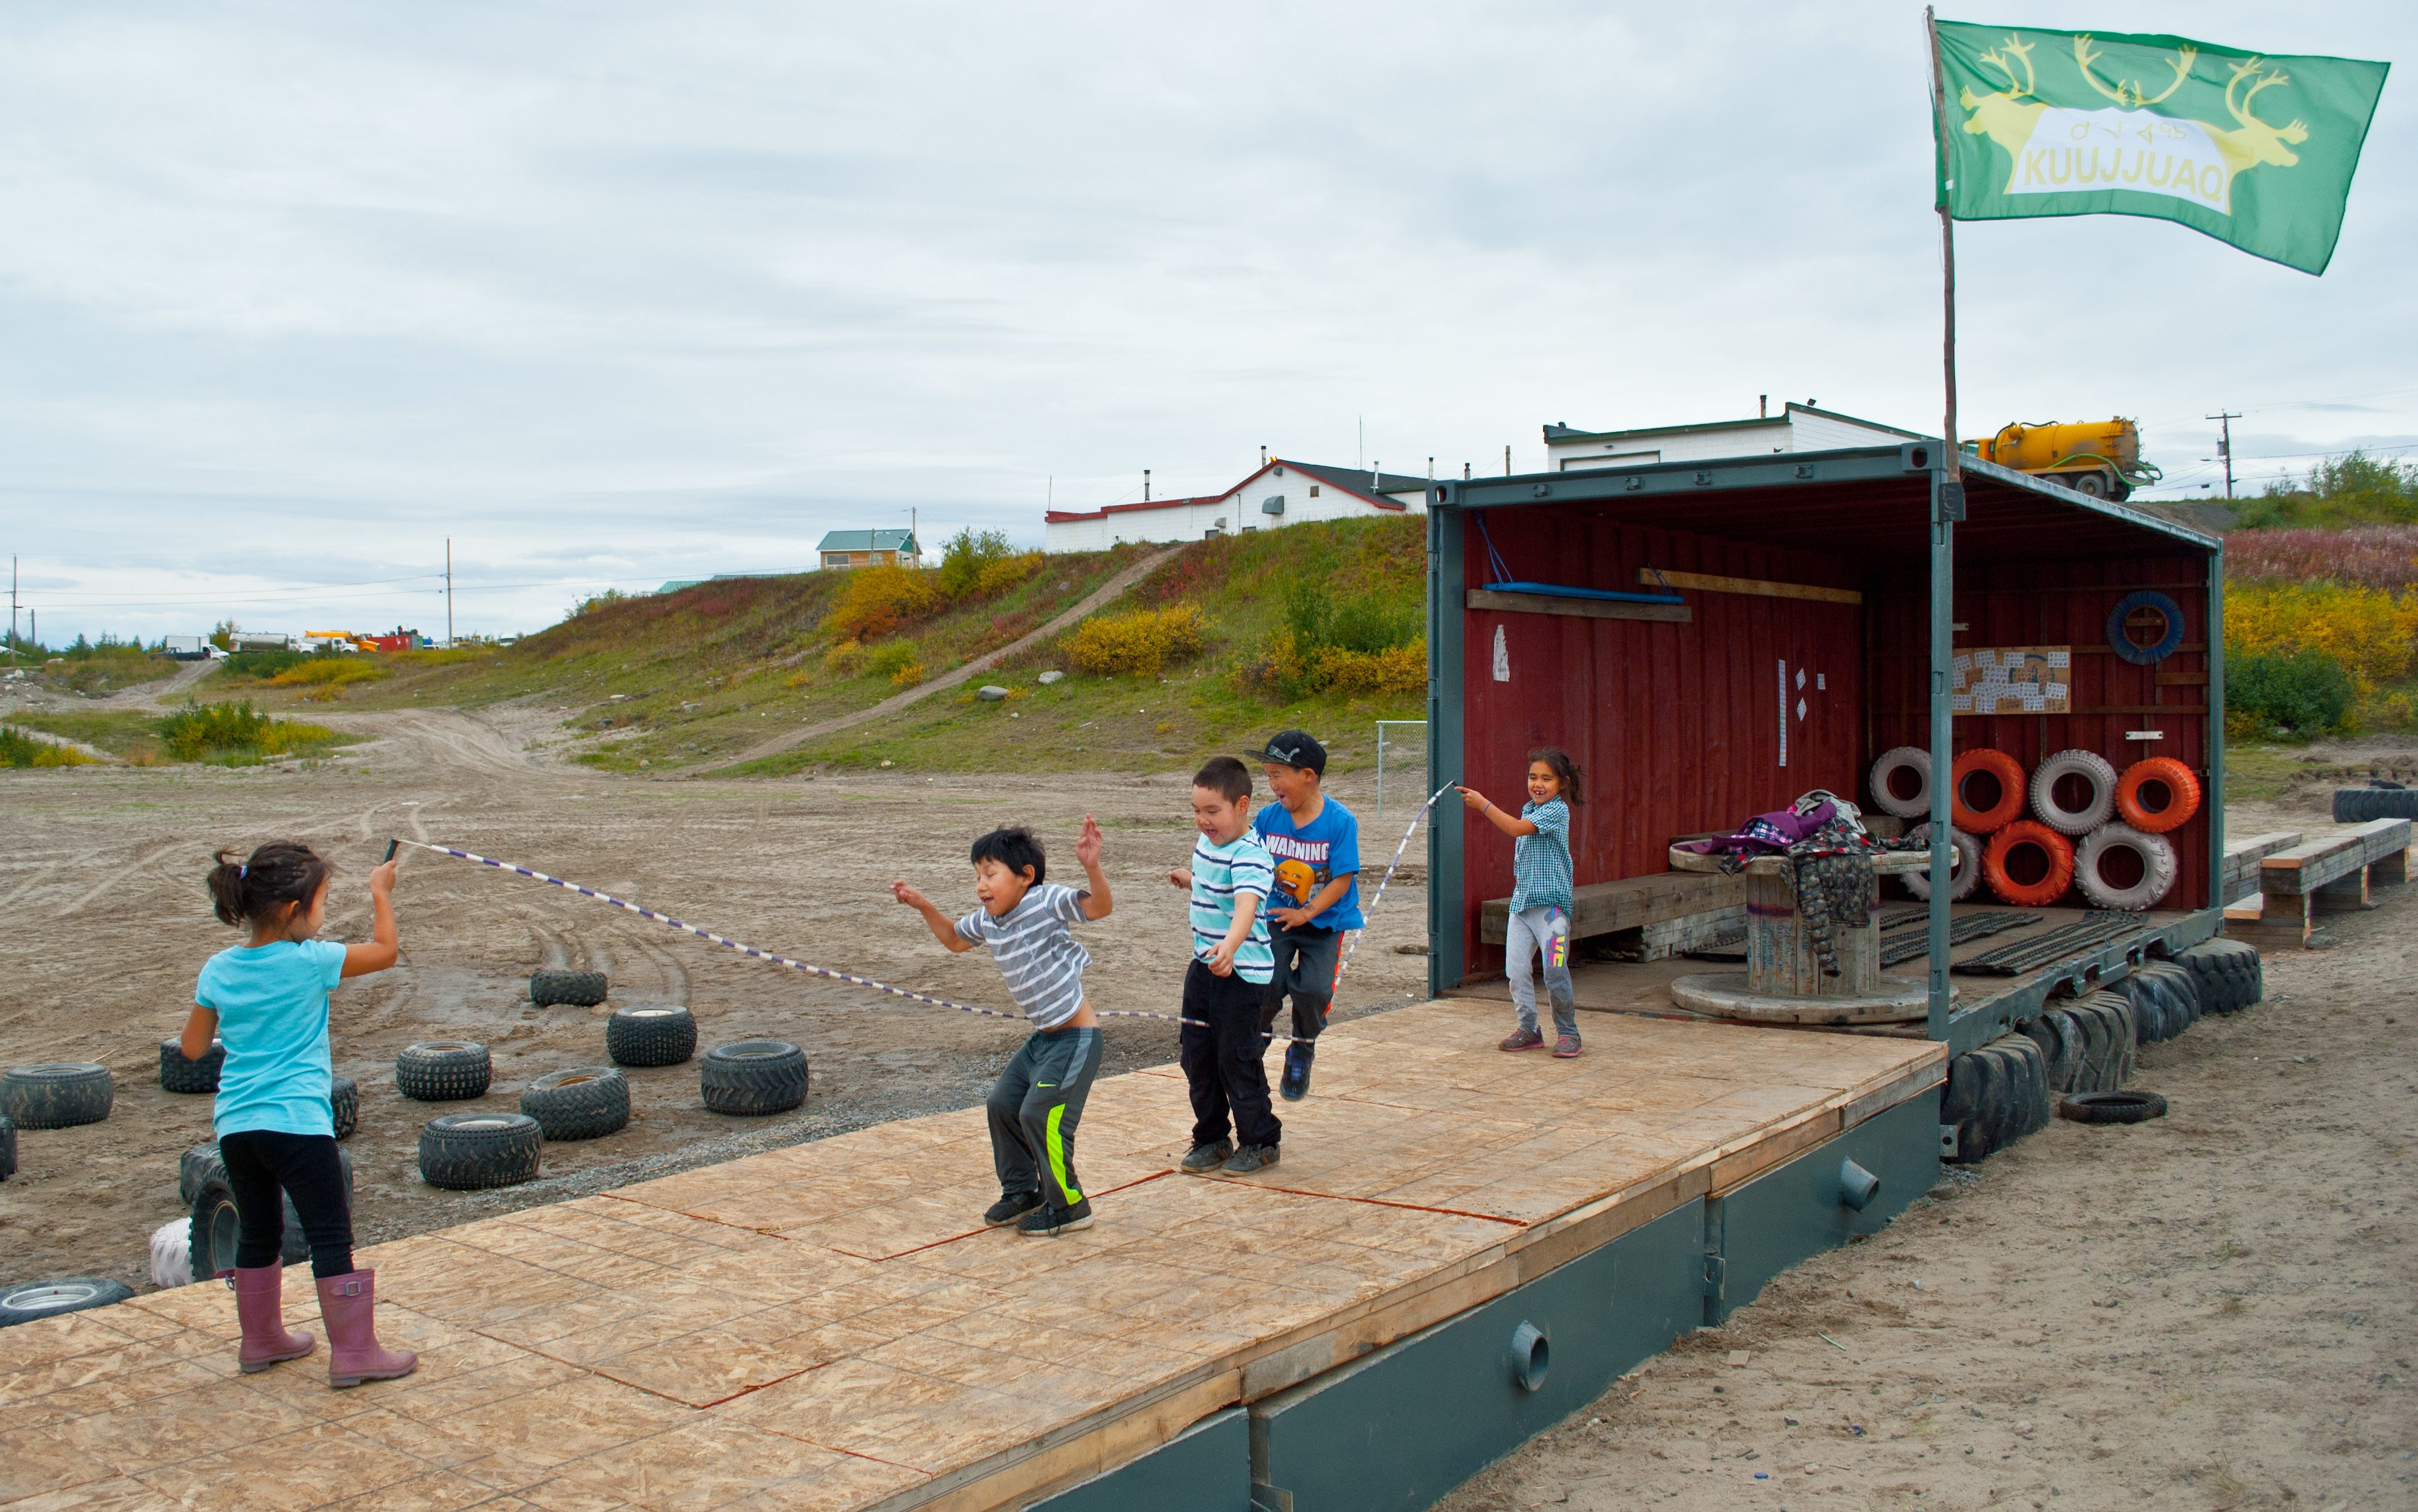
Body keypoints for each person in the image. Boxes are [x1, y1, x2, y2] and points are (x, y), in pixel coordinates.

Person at [182, 841, 418, 1388]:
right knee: (330, 1237)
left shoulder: (218, 969)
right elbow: (385, 952)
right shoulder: (313, 961)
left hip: (237, 1128)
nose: (323, 915)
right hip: (298, 1125)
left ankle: (260, 1341)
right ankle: (355, 1353)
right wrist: (380, 892)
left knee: (258, 1232)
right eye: (322, 903)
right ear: (293, 909)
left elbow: (192, 1048)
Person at [893, 819, 1113, 1237]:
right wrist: (923, 905)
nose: (981, 885)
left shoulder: (1045, 901)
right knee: (1002, 1105)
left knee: (1039, 1113)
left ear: (1026, 876)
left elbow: (1100, 907)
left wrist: (1092, 867)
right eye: (977, 875)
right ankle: (1022, 1191)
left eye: (990, 874)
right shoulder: (988, 921)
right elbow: (954, 940)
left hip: (1077, 1038)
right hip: (1043, 1039)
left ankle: (1070, 1205)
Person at [1168, 756, 1281, 1175]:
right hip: (1204, 967)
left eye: (1212, 811)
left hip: (1242, 974)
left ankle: (1261, 1140)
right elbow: (1220, 890)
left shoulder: (1251, 856)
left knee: (1236, 1056)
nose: (1203, 820)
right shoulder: (1207, 844)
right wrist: (1192, 880)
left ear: (1242, 805)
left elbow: (1246, 907)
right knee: (1197, 1054)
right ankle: (1212, 1137)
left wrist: (1230, 947)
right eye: (1197, 810)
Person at [1250, 730, 1361, 1101]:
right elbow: (1250, 861)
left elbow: (1342, 879)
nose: (1272, 784)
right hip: (1277, 917)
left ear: (1308, 776)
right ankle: (1255, 1039)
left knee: (1314, 991)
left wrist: (1308, 912)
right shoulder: (1267, 819)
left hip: (1325, 922)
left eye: (1278, 775)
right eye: (1268, 776)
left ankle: (1303, 1046)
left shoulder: (1340, 822)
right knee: (1266, 984)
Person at [1458, 747, 1584, 1057]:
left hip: (1552, 911)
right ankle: (1529, 1029)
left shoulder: (1556, 811)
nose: (1538, 784)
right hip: (1522, 908)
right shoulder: (1529, 809)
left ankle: (1569, 1033)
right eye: (1533, 777)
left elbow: (1515, 829)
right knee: (1516, 971)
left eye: (1547, 778)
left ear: (1563, 783)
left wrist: (1483, 804)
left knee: (1554, 971)